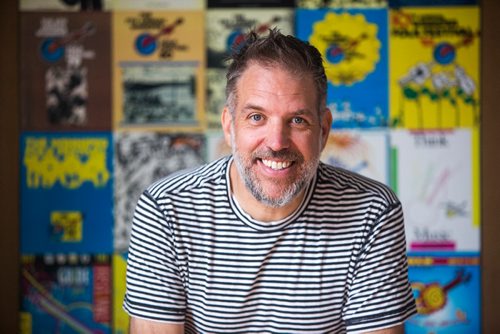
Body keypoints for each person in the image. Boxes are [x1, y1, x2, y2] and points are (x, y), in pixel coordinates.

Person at [123, 28, 417, 333]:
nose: (277, 143)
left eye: (298, 120)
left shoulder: (372, 212)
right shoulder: (166, 209)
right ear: (229, 126)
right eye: (256, 117)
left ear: (324, 130)